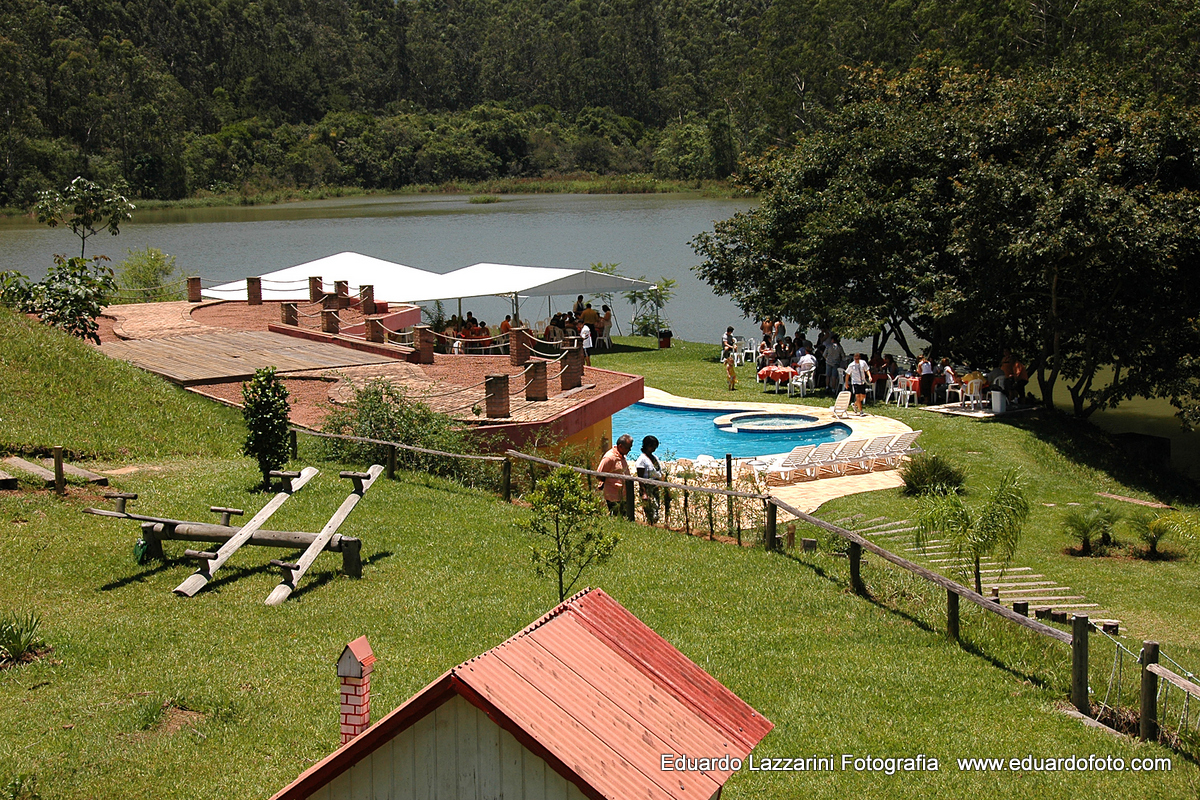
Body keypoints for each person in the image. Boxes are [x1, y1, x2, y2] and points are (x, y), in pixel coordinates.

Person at [597, 434, 633, 515]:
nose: (629, 450)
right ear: (620, 446)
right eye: (628, 448)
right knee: (616, 516)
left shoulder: (622, 456)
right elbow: (599, 474)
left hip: (624, 494)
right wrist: (612, 482)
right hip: (613, 496)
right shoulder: (610, 457)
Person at [635, 435, 663, 525]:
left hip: (655, 486)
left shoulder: (654, 457)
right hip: (647, 487)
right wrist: (644, 493)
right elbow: (640, 478)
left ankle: (653, 524)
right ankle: (651, 524)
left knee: (657, 507)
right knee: (651, 509)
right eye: (653, 446)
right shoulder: (642, 460)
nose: (654, 448)